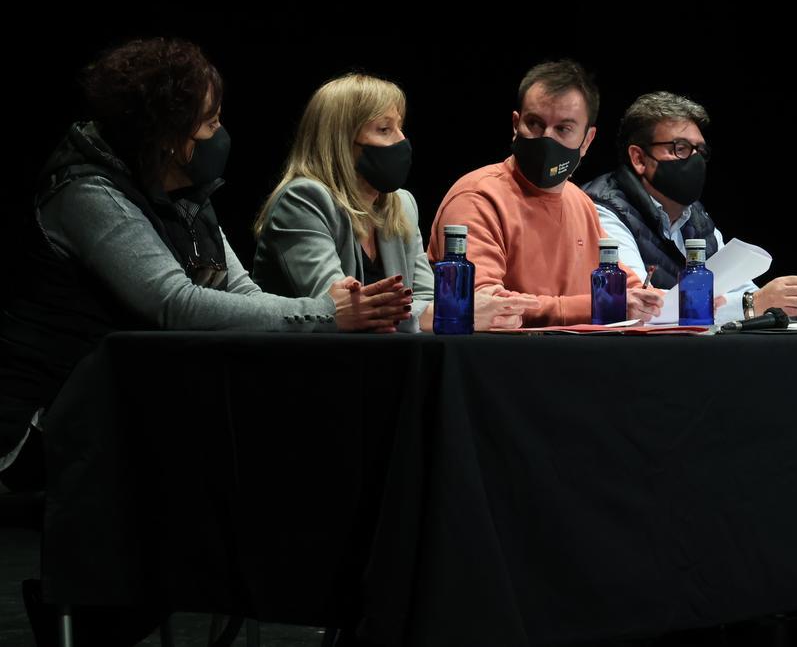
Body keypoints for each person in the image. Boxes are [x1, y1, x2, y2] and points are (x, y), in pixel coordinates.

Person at [0, 38, 409, 494]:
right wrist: (325, 314)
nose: (221, 133)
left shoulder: (185, 194)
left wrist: (319, 316)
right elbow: (175, 303)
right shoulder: (88, 194)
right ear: (168, 135)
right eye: (210, 122)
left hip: (124, 405)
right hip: (43, 421)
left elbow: (244, 295)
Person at [252, 73, 538, 330]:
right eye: (384, 129)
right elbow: (342, 309)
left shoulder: (401, 204)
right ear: (341, 142)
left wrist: (476, 307)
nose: (402, 141)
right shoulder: (302, 201)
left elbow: (426, 297)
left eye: (400, 128)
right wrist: (462, 313)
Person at [582, 91, 797, 325]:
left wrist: (794, 300)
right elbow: (641, 309)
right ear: (639, 158)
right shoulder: (603, 209)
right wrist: (754, 305)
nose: (695, 160)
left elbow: (741, 290)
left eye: (700, 151)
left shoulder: (694, 215)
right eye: (680, 149)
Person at [427, 59, 663, 326]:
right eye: (535, 124)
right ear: (516, 125)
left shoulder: (581, 203)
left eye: (563, 129)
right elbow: (486, 305)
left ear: (587, 140)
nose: (546, 138)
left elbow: (628, 287)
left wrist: (670, 302)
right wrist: (597, 304)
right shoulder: (477, 198)